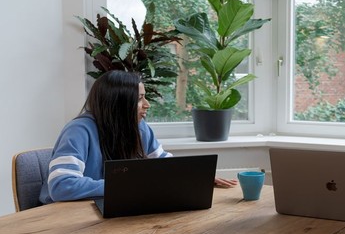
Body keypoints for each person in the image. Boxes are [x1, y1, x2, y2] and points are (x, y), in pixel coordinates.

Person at [39, 70, 237, 204]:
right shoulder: (79, 131)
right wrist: (128, 185)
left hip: (111, 209)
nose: (147, 104)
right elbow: (61, 186)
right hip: (65, 219)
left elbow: (164, 167)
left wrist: (194, 178)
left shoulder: (140, 128)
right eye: (140, 98)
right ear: (119, 103)